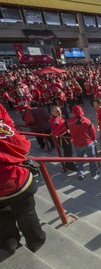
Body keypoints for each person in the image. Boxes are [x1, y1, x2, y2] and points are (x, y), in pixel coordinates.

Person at [0, 103, 46, 254]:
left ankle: (9, 241)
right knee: (27, 212)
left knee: (2, 215)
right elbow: (22, 145)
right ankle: (35, 242)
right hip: (13, 180)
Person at [67, 105, 100, 180]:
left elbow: (61, 129)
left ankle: (80, 173)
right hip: (88, 143)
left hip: (77, 144)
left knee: (80, 159)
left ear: (73, 112)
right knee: (92, 159)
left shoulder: (69, 122)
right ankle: (94, 174)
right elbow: (93, 131)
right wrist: (94, 139)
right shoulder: (86, 120)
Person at [49, 106, 77, 171]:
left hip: (66, 137)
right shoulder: (54, 120)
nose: (59, 112)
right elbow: (57, 131)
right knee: (68, 152)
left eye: (60, 110)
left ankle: (69, 163)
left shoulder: (58, 117)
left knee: (69, 152)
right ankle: (69, 165)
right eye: (57, 111)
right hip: (63, 139)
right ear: (52, 112)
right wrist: (66, 126)